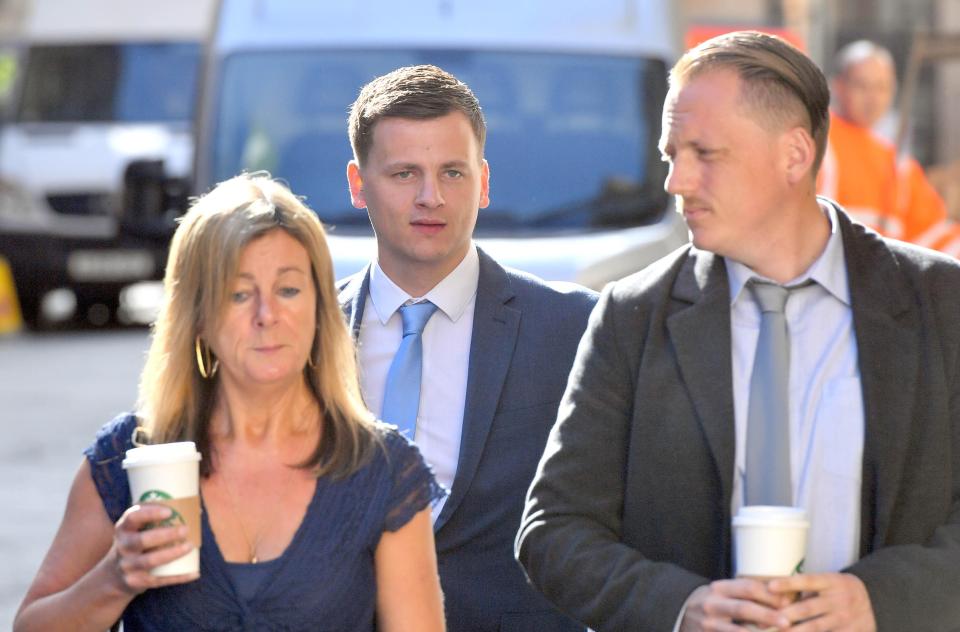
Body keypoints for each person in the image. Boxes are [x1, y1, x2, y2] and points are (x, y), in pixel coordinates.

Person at [517, 30, 960, 632]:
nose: (677, 181)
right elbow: (553, 532)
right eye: (672, 155)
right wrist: (678, 607)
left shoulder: (941, 302)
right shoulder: (632, 314)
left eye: (705, 153)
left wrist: (881, 601)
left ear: (795, 156)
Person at [14, 173, 446, 632]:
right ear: (197, 318)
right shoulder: (130, 454)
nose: (267, 315)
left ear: (320, 309)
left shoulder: (382, 470)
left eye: (288, 289)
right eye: (239, 294)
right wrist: (115, 579)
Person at [340, 64, 597, 631]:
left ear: (484, 181)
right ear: (358, 185)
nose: (431, 197)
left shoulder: (575, 327)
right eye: (405, 173)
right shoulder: (309, 333)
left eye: (452, 173)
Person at [818, 39, 960, 256]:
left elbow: (934, 234)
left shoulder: (899, 165)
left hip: (882, 282)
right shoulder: (817, 143)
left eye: (881, 87)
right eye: (862, 85)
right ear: (838, 86)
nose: (873, 98)